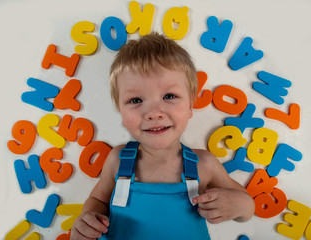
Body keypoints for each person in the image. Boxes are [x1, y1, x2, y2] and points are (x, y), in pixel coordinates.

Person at [70, 32, 255, 240]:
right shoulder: (117, 159)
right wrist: (88, 217)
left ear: (190, 106)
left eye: (169, 96)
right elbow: (98, 200)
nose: (153, 113)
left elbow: (248, 206)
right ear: (121, 112)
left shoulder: (205, 164)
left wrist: (238, 205)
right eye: (136, 100)